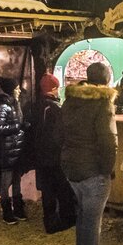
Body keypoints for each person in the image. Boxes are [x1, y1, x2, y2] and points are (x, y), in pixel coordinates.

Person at [61, 62, 119, 245]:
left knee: (83, 219)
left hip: (71, 168)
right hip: (93, 171)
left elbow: (60, 133)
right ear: (106, 81)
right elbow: (109, 141)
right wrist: (107, 170)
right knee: (91, 225)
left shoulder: (70, 101)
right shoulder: (102, 103)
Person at [33, 72, 77, 233]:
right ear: (53, 89)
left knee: (47, 190)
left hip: (40, 156)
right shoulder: (54, 108)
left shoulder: (36, 105)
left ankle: (50, 222)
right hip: (54, 156)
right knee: (61, 188)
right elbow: (59, 134)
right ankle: (66, 219)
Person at [0, 77, 28, 224]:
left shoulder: (16, 105)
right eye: (17, 88)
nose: (19, 90)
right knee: (6, 182)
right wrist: (18, 127)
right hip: (7, 152)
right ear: (12, 90)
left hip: (16, 150)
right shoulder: (4, 107)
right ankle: (7, 212)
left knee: (16, 180)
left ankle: (18, 209)